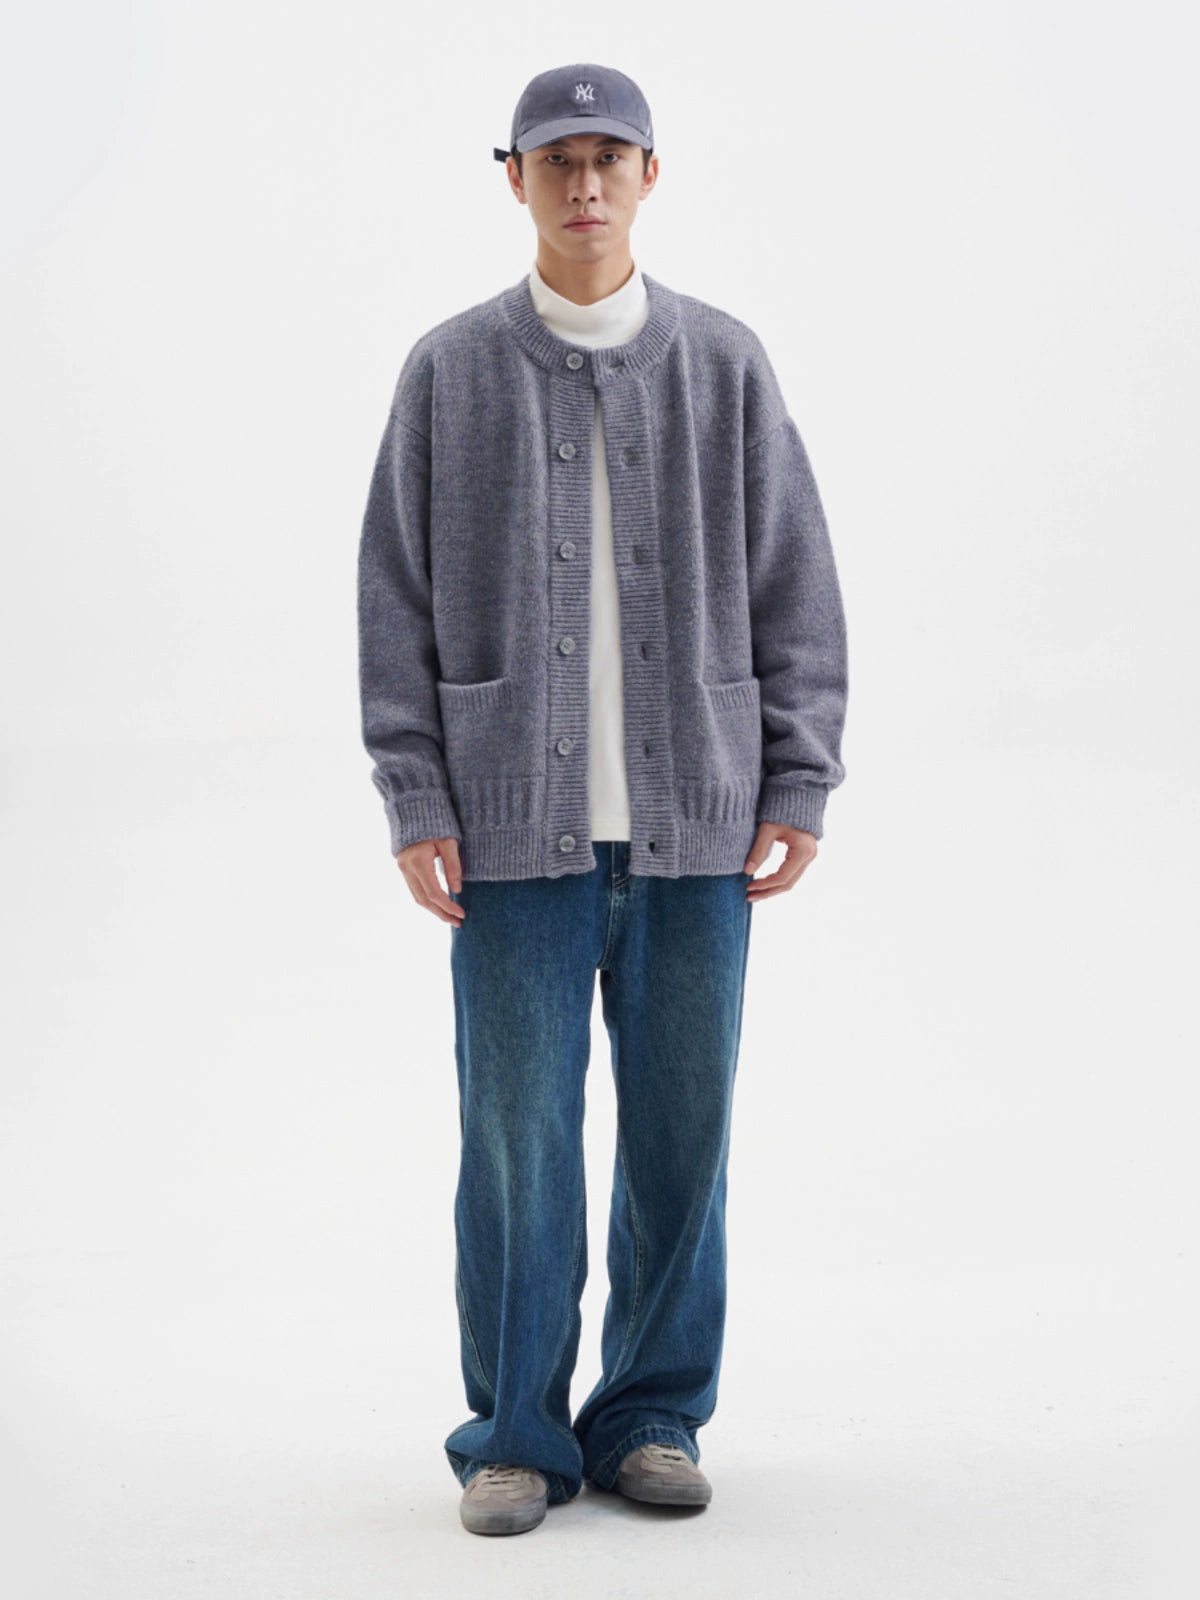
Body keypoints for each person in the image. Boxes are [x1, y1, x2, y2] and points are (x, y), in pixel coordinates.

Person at [356, 61, 849, 1537]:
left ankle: (649, 1417)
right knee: (517, 1147)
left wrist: (800, 773)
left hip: (699, 826)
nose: (585, 185)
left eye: (610, 158)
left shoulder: (726, 365)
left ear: (650, 174)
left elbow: (795, 584)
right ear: (513, 177)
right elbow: (394, 596)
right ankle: (515, 1433)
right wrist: (414, 791)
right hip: (510, 833)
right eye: (557, 160)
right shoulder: (450, 371)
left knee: (683, 1143)